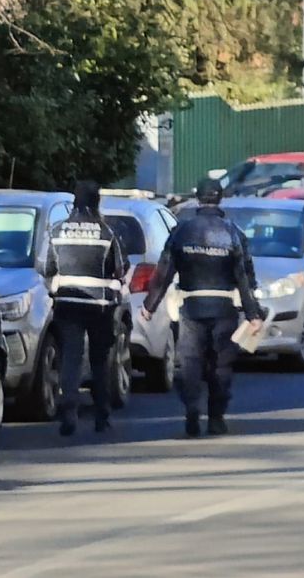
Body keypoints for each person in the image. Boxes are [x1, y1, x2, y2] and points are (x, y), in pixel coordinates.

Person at [140, 178, 262, 438]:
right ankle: (216, 418)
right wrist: (253, 313)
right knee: (221, 365)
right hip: (224, 308)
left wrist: (150, 305)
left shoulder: (182, 231)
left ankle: (192, 410)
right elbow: (245, 277)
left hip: (191, 307)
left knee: (190, 363)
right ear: (220, 198)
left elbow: (164, 271)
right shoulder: (233, 232)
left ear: (198, 198)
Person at [47, 180, 127, 436]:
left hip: (67, 303)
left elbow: (47, 268)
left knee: (71, 357)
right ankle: (102, 415)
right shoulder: (106, 232)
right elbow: (120, 268)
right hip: (99, 306)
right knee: (99, 360)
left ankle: (69, 409)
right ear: (97, 202)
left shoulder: (57, 230)